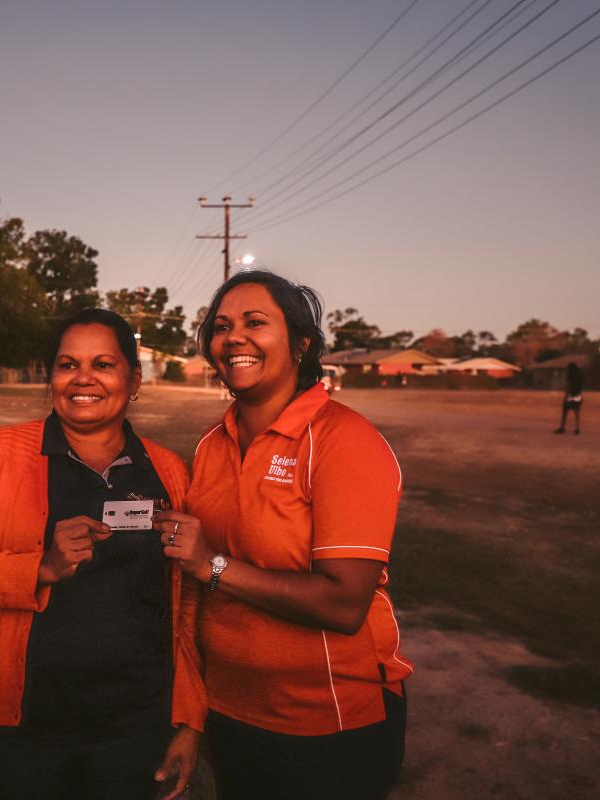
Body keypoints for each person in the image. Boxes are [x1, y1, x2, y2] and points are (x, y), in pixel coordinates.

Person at [0, 308, 204, 800]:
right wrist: (42, 567)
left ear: (133, 379)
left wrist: (189, 720)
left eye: (104, 364)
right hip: (18, 735)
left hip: (135, 729)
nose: (83, 379)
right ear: (51, 375)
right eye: (67, 364)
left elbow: (187, 610)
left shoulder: (168, 471)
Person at [154, 270, 410, 800]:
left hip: (327, 725)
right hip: (231, 712)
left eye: (255, 322)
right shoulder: (211, 446)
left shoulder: (344, 440)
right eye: (221, 326)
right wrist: (191, 714)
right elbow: (195, 594)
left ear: (302, 343)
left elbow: (343, 605)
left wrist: (213, 565)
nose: (234, 337)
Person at [553, 362, 585, 435]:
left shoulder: (570, 375)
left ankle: (562, 427)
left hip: (571, 395)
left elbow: (568, 386)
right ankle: (577, 428)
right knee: (576, 412)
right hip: (578, 395)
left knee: (565, 411)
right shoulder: (580, 375)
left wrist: (565, 396)